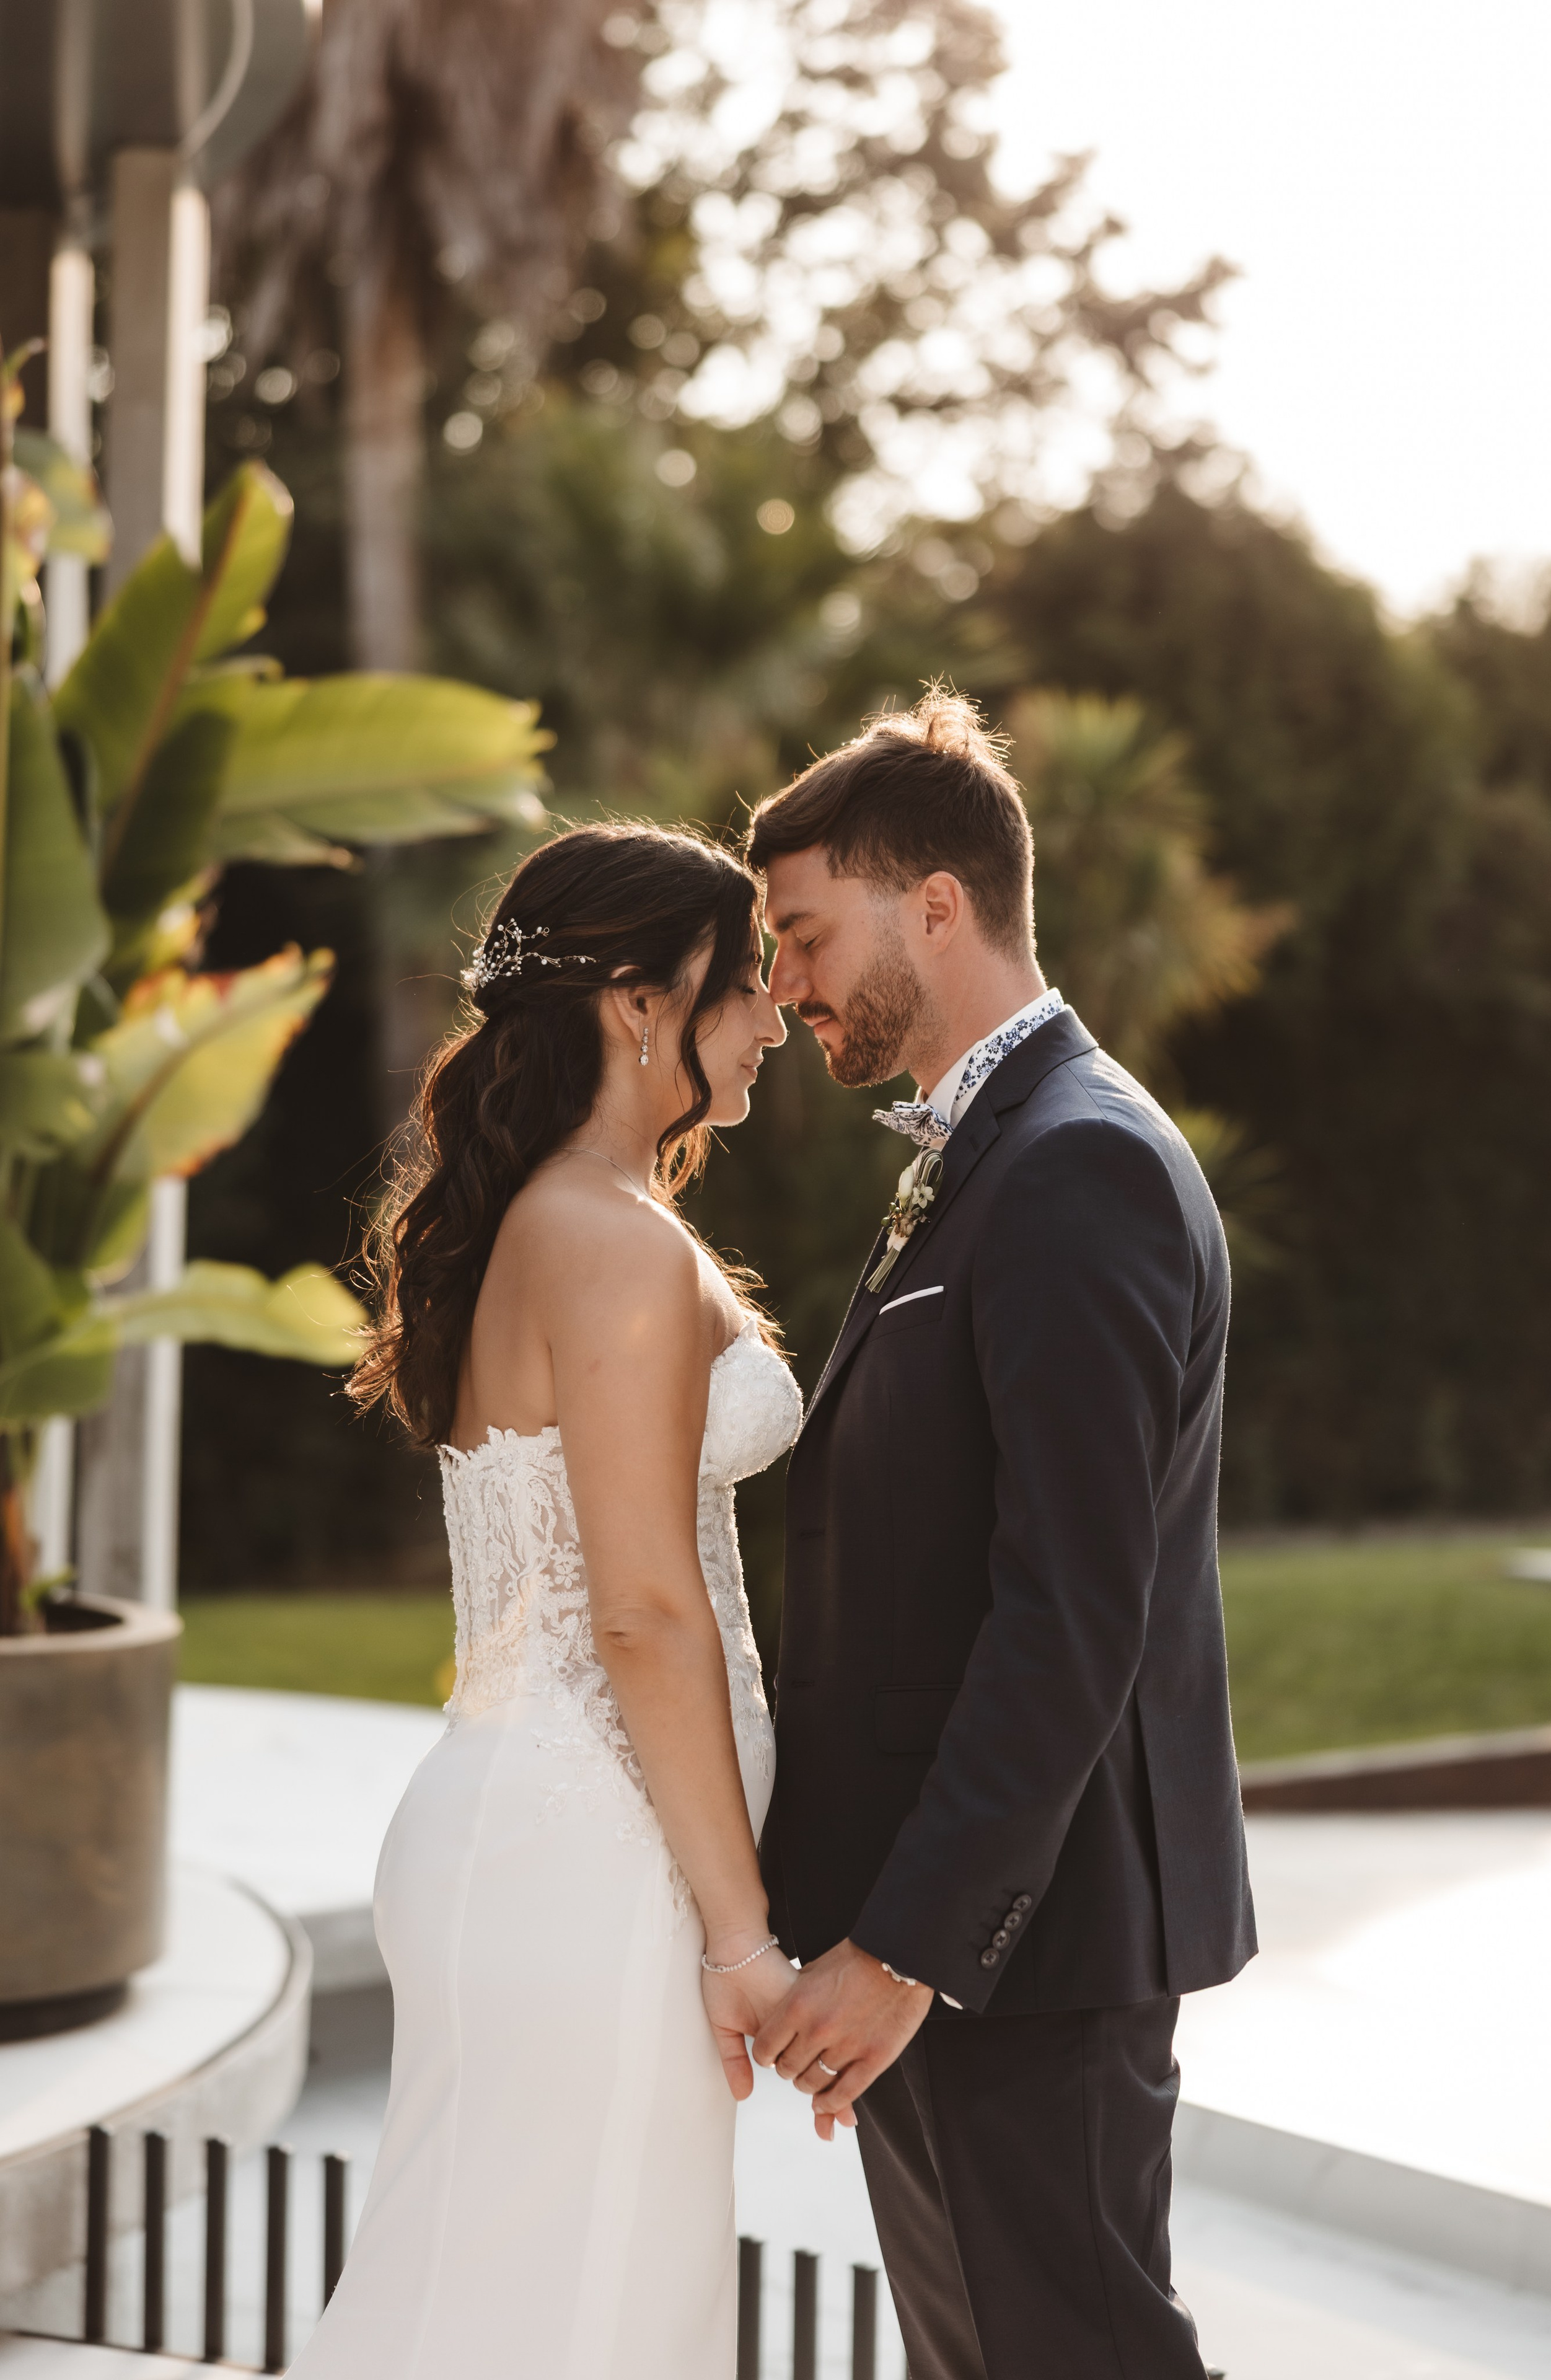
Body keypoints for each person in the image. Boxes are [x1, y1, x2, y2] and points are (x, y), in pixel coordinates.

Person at [747, 690, 1257, 2380]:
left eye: (808, 935)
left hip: (1020, 1949)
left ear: (937, 906)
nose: (789, 985)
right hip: (978, 1934)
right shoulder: (1010, 1150)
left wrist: (905, 1952)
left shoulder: (1076, 1166)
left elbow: (1071, 1613)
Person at [289, 822, 804, 2378]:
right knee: (573, 2323)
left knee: (494, 2304)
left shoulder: (555, 1223)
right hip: (600, 1863)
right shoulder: (609, 1244)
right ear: (640, 1006)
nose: (773, 1020)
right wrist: (738, 1939)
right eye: (743, 987)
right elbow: (640, 1611)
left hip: (546, 1836)